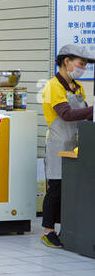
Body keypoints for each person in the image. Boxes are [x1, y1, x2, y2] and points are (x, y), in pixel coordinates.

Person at [40, 42, 93, 247]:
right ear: (67, 61)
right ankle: (48, 230)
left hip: (75, 143)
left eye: (86, 64)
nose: (83, 68)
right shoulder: (53, 86)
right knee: (57, 187)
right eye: (81, 63)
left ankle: (67, 227)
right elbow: (66, 114)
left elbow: (85, 113)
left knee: (71, 188)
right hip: (58, 142)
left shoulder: (77, 87)